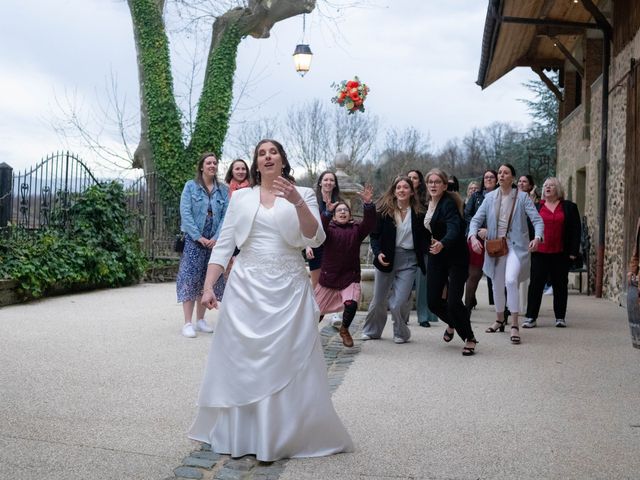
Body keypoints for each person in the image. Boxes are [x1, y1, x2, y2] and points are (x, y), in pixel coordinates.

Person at [188, 139, 353, 461]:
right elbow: (224, 244)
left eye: (273, 152)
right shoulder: (242, 197)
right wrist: (208, 286)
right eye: (261, 153)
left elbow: (315, 237)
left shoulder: (302, 193)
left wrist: (296, 202)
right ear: (255, 162)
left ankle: (283, 434)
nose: (267, 157)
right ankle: (244, 434)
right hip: (246, 287)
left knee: (286, 358)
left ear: (282, 160)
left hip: (289, 287)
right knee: (244, 359)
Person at [469, 163, 543, 345]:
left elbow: (537, 220)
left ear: (512, 177)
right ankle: (499, 319)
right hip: (496, 246)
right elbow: (476, 220)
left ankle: (515, 324)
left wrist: (538, 237)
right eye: (499, 173)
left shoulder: (523, 197)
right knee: (496, 282)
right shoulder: (489, 197)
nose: (501, 175)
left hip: (516, 246)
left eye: (506, 173)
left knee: (510, 280)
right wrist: (472, 236)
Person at [361, 176, 428, 344]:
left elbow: (426, 237)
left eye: (406, 187)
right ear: (394, 191)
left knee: (398, 303)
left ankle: (401, 332)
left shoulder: (420, 213)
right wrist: (378, 253)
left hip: (409, 260)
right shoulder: (384, 211)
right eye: (398, 187)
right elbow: (374, 236)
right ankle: (372, 331)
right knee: (378, 300)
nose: (402, 190)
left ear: (412, 192)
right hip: (387, 259)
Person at [424, 169, 477, 356]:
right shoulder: (425, 204)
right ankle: (454, 322)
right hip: (436, 256)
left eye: (437, 182)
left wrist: (443, 243)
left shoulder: (448, 204)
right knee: (433, 302)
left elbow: (454, 228)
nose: (433, 185)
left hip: (456, 256)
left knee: (454, 302)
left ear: (445, 185)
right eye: (430, 181)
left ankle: (469, 338)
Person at [314, 185, 376, 347]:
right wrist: (327, 212)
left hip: (350, 276)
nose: (342, 212)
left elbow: (369, 223)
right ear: (334, 216)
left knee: (351, 303)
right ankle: (308, 334)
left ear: (349, 215)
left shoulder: (356, 229)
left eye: (345, 210)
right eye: (339, 210)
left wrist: (368, 204)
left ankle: (344, 329)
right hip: (329, 277)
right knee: (316, 312)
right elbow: (320, 229)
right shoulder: (328, 230)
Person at [176, 152, 229, 338]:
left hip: (214, 241)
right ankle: (187, 322)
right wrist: (198, 237)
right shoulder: (190, 187)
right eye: (208, 163)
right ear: (201, 167)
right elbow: (186, 213)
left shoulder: (223, 190)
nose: (212, 165)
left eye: (215, 163)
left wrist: (216, 236)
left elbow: (225, 216)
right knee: (190, 279)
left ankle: (201, 319)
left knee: (207, 280)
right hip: (194, 240)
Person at [522, 178, 581, 328]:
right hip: (539, 252)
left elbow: (575, 230)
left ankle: (560, 317)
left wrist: (574, 251)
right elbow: (527, 228)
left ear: (558, 189)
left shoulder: (569, 207)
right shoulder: (536, 207)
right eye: (545, 186)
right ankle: (530, 317)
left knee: (560, 285)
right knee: (536, 285)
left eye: (551, 185)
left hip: (561, 253)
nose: (547, 187)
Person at [407, 169, 438, 327]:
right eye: (409, 177)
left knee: (422, 283)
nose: (411, 180)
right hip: (404, 246)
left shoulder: (426, 199)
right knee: (404, 284)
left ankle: (423, 316)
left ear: (420, 181)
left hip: (423, 246)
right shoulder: (400, 197)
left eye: (415, 178)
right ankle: (403, 316)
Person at [464, 169, 498, 311]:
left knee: (498, 275)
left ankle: (503, 310)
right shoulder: (476, 196)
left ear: (496, 180)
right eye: (486, 177)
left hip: (496, 238)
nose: (488, 179)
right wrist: (478, 229)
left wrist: (490, 230)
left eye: (491, 177)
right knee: (474, 274)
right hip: (476, 238)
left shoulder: (502, 196)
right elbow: (467, 214)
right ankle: (467, 307)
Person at [306, 171, 341, 289]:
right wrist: (307, 245)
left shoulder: (339, 203)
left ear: (335, 184)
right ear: (320, 183)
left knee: (331, 286)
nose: (328, 182)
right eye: (326, 180)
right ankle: (316, 308)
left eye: (331, 180)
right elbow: (305, 223)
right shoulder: (312, 200)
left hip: (333, 247)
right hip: (315, 246)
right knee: (317, 286)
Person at [516, 174, 537, 313]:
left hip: (529, 241)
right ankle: (512, 305)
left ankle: (524, 307)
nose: (521, 183)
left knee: (526, 276)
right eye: (520, 181)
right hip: (515, 241)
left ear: (530, 186)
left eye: (525, 182)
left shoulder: (535, 202)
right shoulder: (513, 199)